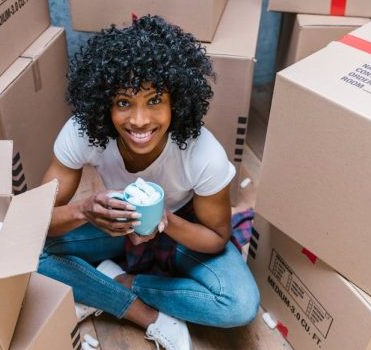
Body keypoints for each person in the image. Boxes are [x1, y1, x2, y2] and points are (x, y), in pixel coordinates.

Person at [38, 15, 260, 350]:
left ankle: (121, 282)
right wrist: (84, 210)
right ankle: (143, 314)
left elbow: (216, 239)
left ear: (176, 103)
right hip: (114, 223)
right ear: (104, 104)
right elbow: (37, 220)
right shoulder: (82, 133)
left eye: (155, 101)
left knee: (239, 304)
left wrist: (164, 221)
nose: (139, 121)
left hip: (179, 227)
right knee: (30, 254)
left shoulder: (203, 153)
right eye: (124, 103)